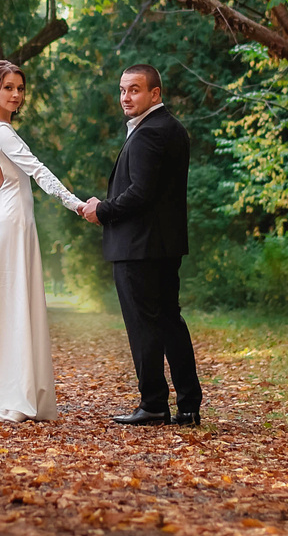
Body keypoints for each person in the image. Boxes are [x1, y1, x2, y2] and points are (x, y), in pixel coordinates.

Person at [0, 60, 87, 422]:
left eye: (20, 89)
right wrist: (75, 204)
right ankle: (8, 390)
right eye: (8, 87)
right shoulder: (0, 132)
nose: (16, 95)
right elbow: (38, 171)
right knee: (10, 305)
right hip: (10, 225)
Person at [80, 63, 201, 427]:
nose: (125, 97)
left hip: (139, 248)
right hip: (163, 246)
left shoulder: (150, 132)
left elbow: (141, 193)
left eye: (134, 90)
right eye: (122, 90)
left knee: (144, 326)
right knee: (169, 322)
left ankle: (153, 404)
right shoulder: (172, 128)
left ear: (154, 93)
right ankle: (188, 405)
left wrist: (103, 210)